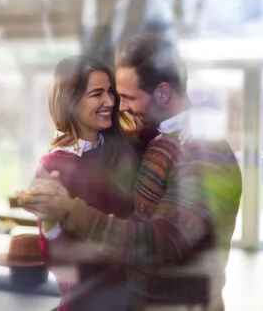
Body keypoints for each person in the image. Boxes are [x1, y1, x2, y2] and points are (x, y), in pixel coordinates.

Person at [20, 34, 242, 310]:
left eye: (124, 96)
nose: (117, 105)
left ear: (162, 93)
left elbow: (162, 243)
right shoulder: (156, 139)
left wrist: (69, 211)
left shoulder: (204, 150)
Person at [29, 56, 143, 311]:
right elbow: (54, 262)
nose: (110, 101)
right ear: (70, 102)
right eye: (97, 94)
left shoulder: (128, 150)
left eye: (110, 92)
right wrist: (49, 223)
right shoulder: (50, 167)